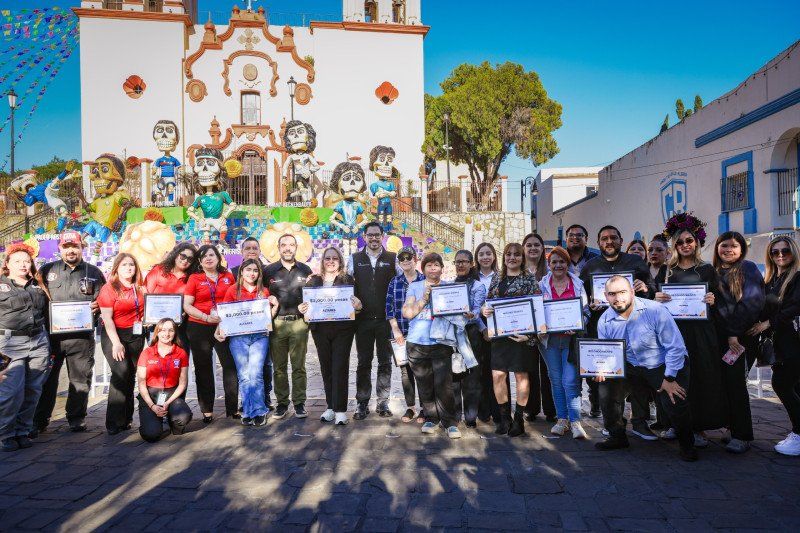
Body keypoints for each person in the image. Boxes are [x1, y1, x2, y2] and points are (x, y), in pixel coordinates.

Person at [595, 275, 697, 462]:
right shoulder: (604, 320)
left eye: (622, 292)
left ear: (632, 292)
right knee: (606, 390)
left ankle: (687, 444)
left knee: (674, 399)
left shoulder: (655, 310)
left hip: (664, 362)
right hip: (631, 364)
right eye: (612, 294)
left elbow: (675, 348)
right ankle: (617, 436)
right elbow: (608, 352)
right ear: (605, 296)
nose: (617, 298)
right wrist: (603, 369)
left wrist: (670, 379)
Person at [655, 219, 724, 446]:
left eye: (689, 241)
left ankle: (697, 428)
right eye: (680, 242)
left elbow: (720, 301)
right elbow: (652, 300)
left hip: (700, 333)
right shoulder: (667, 271)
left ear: (696, 243)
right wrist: (657, 297)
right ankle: (676, 423)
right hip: (673, 333)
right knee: (674, 376)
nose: (685, 245)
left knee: (699, 377)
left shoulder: (706, 269)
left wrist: (712, 300)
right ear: (674, 246)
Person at [579, 225, 655, 431]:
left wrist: (646, 288)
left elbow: (652, 289)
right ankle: (613, 425)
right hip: (604, 332)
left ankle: (639, 423)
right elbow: (582, 300)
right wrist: (590, 307)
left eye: (613, 238)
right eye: (604, 238)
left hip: (636, 330)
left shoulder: (636, 262)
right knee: (609, 381)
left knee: (639, 378)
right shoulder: (590, 267)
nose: (609, 241)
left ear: (621, 241)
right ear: (598, 242)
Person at [34, 231, 105, 435]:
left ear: (82, 247)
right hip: (51, 338)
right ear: (60, 249)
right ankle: (39, 420)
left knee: (80, 380)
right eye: (67, 247)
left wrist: (99, 305)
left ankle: (76, 418)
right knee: (46, 381)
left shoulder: (94, 272)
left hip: (81, 339)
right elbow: (36, 301)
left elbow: (104, 298)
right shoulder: (46, 271)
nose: (71, 250)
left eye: (75, 246)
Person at [713, 231, 765, 453]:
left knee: (735, 384)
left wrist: (733, 333)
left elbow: (752, 304)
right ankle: (732, 429)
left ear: (742, 249)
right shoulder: (713, 272)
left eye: (734, 246)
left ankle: (743, 435)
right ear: (717, 248)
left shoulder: (748, 268)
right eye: (724, 245)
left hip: (739, 340)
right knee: (725, 384)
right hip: (720, 338)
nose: (728, 250)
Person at [482, 243, 541, 437]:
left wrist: (530, 334)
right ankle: (504, 417)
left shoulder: (529, 279)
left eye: (517, 254)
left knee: (521, 377)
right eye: (509, 254)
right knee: (498, 375)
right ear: (504, 257)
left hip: (521, 337)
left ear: (522, 258)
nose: (512, 258)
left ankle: (518, 419)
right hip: (501, 336)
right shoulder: (497, 278)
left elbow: (537, 309)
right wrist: (485, 310)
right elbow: (488, 302)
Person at [749, 236, 800, 455]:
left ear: (793, 253)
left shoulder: (797, 278)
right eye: (775, 252)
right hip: (778, 343)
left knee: (782, 384)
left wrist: (767, 323)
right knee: (792, 386)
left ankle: (798, 434)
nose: (780, 255)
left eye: (785, 251)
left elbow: (795, 308)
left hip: (792, 341)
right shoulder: (771, 280)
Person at [300, 247, 362, 425]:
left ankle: (341, 410)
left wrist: (358, 306)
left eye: (335, 258)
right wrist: (302, 309)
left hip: (343, 330)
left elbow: (357, 305)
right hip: (320, 330)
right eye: (328, 258)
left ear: (340, 261)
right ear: (322, 261)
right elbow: (305, 305)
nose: (331, 261)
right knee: (326, 368)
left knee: (340, 367)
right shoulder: (314, 281)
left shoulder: (348, 280)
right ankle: (330, 407)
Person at [402, 253, 461, 439]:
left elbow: (457, 312)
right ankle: (431, 418)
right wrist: (424, 299)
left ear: (442, 268)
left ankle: (449, 422)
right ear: (423, 268)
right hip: (417, 342)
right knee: (425, 384)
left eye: (437, 265)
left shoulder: (449, 287)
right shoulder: (415, 286)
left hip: (441, 342)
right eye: (429, 265)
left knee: (444, 384)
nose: (433, 268)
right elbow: (407, 313)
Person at [0, 244, 51, 452]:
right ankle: (6, 433)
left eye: (26, 261)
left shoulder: (38, 284)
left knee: (33, 390)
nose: (23, 264)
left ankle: (22, 430)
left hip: (38, 341)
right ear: (7, 264)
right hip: (9, 344)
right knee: (11, 392)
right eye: (18, 261)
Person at [216, 259, 278, 426]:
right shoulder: (232, 291)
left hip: (259, 337)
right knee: (244, 375)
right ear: (241, 271)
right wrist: (219, 329)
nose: (252, 273)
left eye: (255, 270)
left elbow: (266, 319)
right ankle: (248, 411)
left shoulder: (263, 291)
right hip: (238, 338)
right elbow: (225, 315)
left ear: (259, 274)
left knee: (256, 374)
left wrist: (275, 307)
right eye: (248, 269)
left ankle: (259, 410)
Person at [347, 221, 398, 419]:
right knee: (363, 362)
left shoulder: (392, 259)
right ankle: (362, 403)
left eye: (377, 235)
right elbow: (346, 286)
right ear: (364, 236)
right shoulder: (354, 259)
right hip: (363, 321)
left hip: (386, 321)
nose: (374, 238)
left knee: (385, 362)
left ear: (382, 236)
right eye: (370, 235)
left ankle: (383, 402)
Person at [183, 245, 238, 423]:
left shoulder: (228, 276)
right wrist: (206, 318)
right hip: (199, 326)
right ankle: (207, 410)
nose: (208, 258)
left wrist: (221, 321)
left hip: (224, 326)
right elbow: (187, 305)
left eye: (211, 255)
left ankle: (233, 408)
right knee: (203, 368)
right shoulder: (194, 278)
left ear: (218, 257)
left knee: (229, 366)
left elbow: (234, 301)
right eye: (204, 256)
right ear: (199, 261)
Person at [539, 246, 588, 439]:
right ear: (549, 265)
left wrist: (577, 325)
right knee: (556, 380)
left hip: (570, 341)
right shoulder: (542, 285)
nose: (558, 265)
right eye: (554, 262)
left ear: (568, 264)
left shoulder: (577, 285)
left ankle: (575, 421)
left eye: (562, 261)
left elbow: (585, 312)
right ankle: (562, 420)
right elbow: (536, 311)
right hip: (549, 341)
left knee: (570, 380)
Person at [98, 253, 147, 435]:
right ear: (117, 267)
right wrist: (117, 343)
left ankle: (126, 419)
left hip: (136, 335)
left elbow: (145, 310)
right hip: (114, 335)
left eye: (132, 265)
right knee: (120, 373)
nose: (128, 268)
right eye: (125, 265)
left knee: (130, 374)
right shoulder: (109, 288)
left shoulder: (140, 288)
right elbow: (107, 319)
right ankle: (113, 422)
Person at [264, 234, 313, 419]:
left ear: (296, 247)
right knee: (279, 367)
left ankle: (299, 403)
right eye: (284, 244)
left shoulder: (305, 269)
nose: (287, 248)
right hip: (277, 324)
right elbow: (261, 296)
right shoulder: (269, 271)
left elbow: (313, 296)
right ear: (278, 247)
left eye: (291, 245)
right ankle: (282, 403)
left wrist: (308, 307)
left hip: (299, 323)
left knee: (299, 366)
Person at [231, 237, 273, 410]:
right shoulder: (233, 272)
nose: (251, 250)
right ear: (241, 251)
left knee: (265, 365)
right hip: (239, 330)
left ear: (260, 251)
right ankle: (246, 400)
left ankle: (265, 397)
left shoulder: (268, 271)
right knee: (244, 369)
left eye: (255, 247)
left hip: (262, 328)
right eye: (247, 248)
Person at [136, 318, 193, 442]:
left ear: (175, 333)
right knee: (151, 435)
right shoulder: (146, 353)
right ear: (157, 332)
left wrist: (167, 403)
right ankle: (154, 420)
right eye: (162, 330)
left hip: (171, 394)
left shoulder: (181, 353)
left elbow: (183, 383)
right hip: (150, 395)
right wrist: (152, 406)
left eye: (170, 330)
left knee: (182, 418)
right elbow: (141, 383)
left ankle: (172, 422)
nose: (166, 334)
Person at [386, 246, 425, 423]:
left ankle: (425, 407)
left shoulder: (424, 280)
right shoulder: (394, 282)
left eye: (409, 257)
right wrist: (395, 329)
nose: (405, 260)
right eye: (402, 258)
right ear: (399, 262)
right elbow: (389, 307)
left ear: (415, 259)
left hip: (422, 332)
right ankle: (410, 407)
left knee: (423, 371)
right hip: (401, 331)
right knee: (405, 371)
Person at [522, 233, 556, 423]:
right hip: (526, 328)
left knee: (549, 369)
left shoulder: (550, 271)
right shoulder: (517, 271)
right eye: (529, 245)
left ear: (543, 248)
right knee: (530, 369)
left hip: (547, 328)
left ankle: (551, 409)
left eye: (537, 245)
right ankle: (531, 408)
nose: (533, 248)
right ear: (523, 248)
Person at [452, 250, 487, 428]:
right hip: (452, 335)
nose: (461, 265)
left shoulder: (478, 286)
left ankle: (471, 416)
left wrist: (472, 315)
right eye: (457, 262)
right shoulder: (448, 286)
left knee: (472, 376)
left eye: (464, 262)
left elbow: (476, 310)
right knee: (455, 374)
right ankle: (456, 414)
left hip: (471, 333)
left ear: (472, 264)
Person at [474, 242, 506, 424]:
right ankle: (483, 411)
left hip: (500, 328)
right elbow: (472, 306)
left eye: (489, 253)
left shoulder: (502, 276)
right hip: (480, 327)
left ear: (494, 256)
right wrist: (483, 328)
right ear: (477, 258)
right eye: (481, 254)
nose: (485, 257)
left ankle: (500, 411)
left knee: (500, 371)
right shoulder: (473, 277)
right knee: (482, 372)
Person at [145, 242, 197, 349]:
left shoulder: (193, 277)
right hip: (157, 324)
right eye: (183, 256)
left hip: (181, 325)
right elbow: (146, 292)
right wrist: (146, 315)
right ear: (176, 254)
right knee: (157, 359)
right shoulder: (159, 270)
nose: (185, 260)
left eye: (190, 259)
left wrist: (185, 311)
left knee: (181, 359)